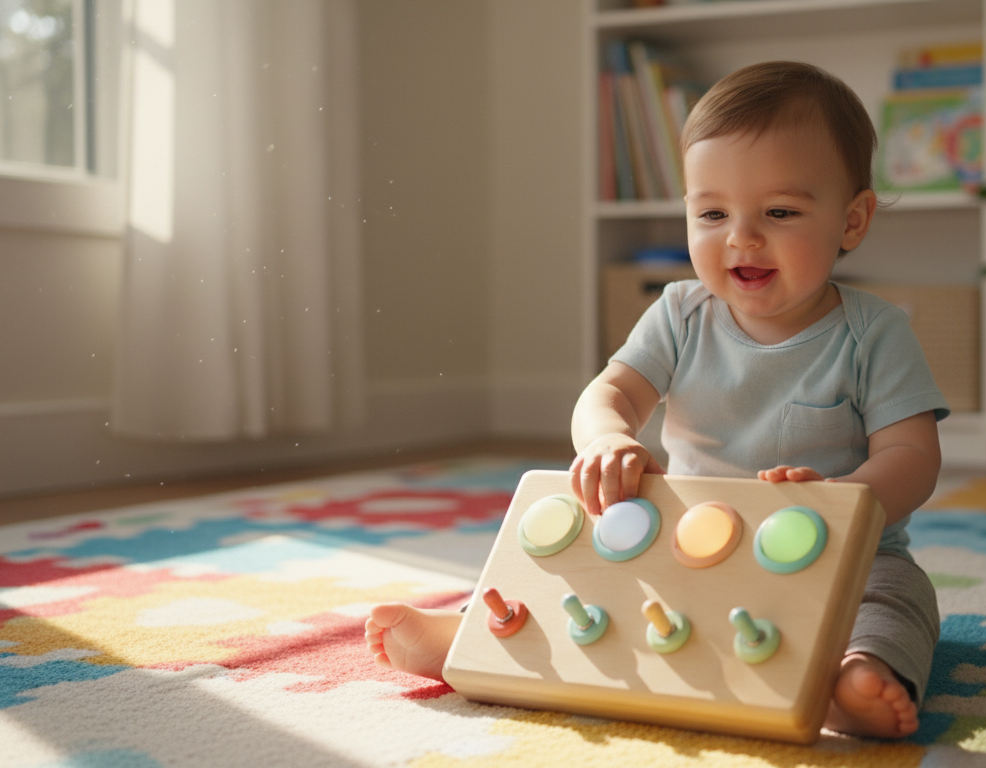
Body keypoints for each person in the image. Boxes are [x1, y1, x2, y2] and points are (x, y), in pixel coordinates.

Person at [366, 60, 948, 740]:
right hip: (687, 544)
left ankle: (854, 674)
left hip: (835, 554)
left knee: (898, 596)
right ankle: (482, 628)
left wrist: (843, 499)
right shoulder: (679, 313)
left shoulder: (874, 332)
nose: (741, 236)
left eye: (780, 212)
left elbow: (913, 456)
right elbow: (610, 391)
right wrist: (609, 438)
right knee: (579, 562)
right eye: (713, 213)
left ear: (852, 220)